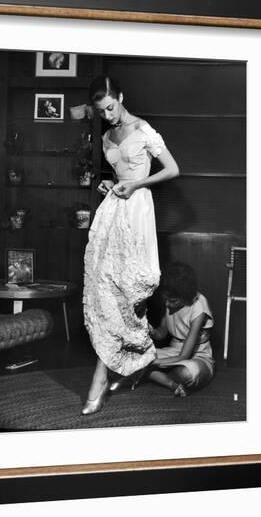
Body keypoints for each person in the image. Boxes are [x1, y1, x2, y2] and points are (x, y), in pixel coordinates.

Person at [81, 75, 179, 415]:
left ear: (120, 96)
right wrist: (110, 185)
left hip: (137, 209)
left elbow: (172, 169)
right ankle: (107, 373)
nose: (108, 115)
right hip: (113, 210)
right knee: (104, 288)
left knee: (132, 286)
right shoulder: (107, 135)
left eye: (111, 107)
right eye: (101, 111)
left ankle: (115, 369)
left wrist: (137, 186)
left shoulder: (143, 129)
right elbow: (117, 171)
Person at [146, 262, 215, 397]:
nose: (167, 304)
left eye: (172, 301)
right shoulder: (171, 297)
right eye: (166, 299)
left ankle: (152, 374)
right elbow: (162, 333)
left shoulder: (199, 306)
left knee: (185, 373)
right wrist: (152, 331)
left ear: (188, 297)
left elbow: (184, 356)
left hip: (198, 356)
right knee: (135, 358)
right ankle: (170, 383)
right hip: (172, 352)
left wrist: (153, 362)